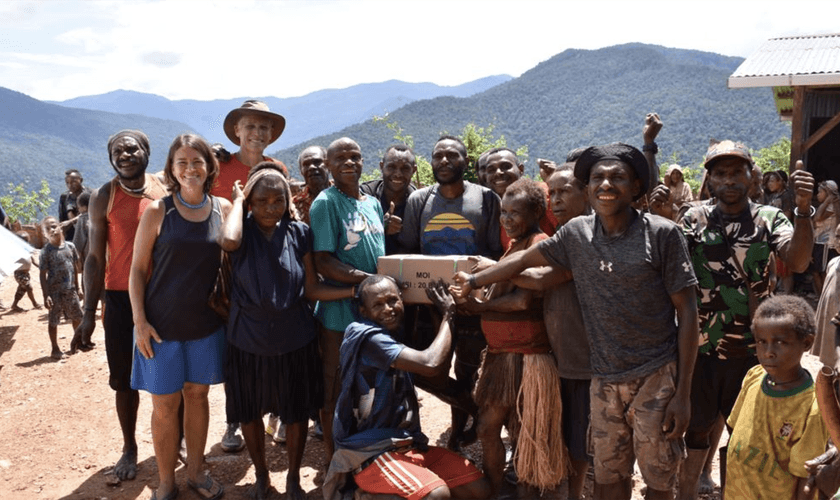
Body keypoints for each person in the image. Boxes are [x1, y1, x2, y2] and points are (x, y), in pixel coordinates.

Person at [453, 143, 699, 500]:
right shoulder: (577, 234)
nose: (606, 184)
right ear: (588, 187)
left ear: (635, 188)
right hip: (603, 378)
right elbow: (526, 264)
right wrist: (476, 280)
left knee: (658, 478)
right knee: (606, 476)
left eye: (618, 177)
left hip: (656, 375)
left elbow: (688, 312)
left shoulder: (661, 234)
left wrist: (683, 393)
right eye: (598, 177)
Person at [650, 141, 815, 500]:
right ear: (709, 180)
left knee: (747, 433)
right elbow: (666, 264)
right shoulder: (692, 218)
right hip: (699, 348)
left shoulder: (770, 219)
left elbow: (799, 260)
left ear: (751, 176)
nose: (729, 180)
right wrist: (662, 218)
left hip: (754, 351)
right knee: (695, 429)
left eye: (736, 172)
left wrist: (804, 211)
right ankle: (689, 492)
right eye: (720, 174)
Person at [218, 163, 351, 499]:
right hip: (247, 339)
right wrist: (236, 200)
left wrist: (353, 291)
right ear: (250, 203)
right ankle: (262, 475)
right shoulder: (242, 231)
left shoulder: (298, 233)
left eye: (278, 201)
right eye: (261, 201)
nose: (270, 208)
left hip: (295, 337)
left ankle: (292, 476)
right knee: (249, 411)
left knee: (294, 412)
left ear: (287, 201)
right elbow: (229, 241)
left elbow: (311, 288)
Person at [323, 275, 491, 500]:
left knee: (478, 490)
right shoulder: (366, 336)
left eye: (393, 300)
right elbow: (430, 363)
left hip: (407, 445)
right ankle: (364, 496)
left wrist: (436, 315)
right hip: (371, 452)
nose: (388, 309)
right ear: (363, 311)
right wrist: (449, 314)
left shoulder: (397, 335)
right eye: (378, 304)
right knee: (436, 495)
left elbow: (438, 376)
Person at [129, 133, 230, 500]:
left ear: (209, 166)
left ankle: (197, 473)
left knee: (198, 396)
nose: (190, 168)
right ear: (171, 168)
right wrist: (139, 321)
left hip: (205, 325)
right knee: (165, 406)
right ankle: (166, 481)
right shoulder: (158, 211)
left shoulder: (224, 210)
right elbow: (137, 271)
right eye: (182, 162)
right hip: (160, 327)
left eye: (197, 161)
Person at [73, 129, 168, 481]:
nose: (125, 156)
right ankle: (130, 446)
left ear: (146, 150)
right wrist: (87, 314)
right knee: (124, 381)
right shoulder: (103, 197)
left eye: (132, 149)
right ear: (111, 158)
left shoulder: (163, 187)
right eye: (118, 152)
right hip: (118, 298)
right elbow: (95, 258)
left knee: (172, 371)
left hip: (163, 296)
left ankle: (180, 438)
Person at [461, 178, 566, 494]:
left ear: (535, 212)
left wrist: (480, 306)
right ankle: (496, 490)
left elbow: (522, 300)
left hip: (527, 358)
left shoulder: (538, 243)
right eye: (503, 212)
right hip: (501, 354)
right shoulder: (513, 246)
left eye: (514, 213)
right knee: (488, 428)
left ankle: (525, 492)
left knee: (525, 434)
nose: (506, 219)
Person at [398, 135, 503, 450]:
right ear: (431, 163)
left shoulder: (486, 199)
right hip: (428, 304)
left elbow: (493, 253)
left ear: (465, 162)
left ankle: (461, 430)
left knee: (469, 366)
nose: (444, 161)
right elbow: (408, 249)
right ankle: (469, 414)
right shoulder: (419, 200)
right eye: (438, 156)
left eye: (452, 155)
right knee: (431, 369)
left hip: (471, 301)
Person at [213, 99, 290, 452]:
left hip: (267, 270)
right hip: (226, 269)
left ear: (271, 134)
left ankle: (273, 410)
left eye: (264, 128)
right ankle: (235, 419)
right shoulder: (218, 166)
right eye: (251, 127)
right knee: (235, 348)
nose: (257, 133)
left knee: (271, 343)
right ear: (237, 131)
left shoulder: (278, 169)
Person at [310, 137, 386, 461]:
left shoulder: (373, 203)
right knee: (335, 386)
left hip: (373, 311)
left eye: (355, 156)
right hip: (339, 313)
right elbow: (323, 261)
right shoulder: (325, 203)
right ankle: (333, 456)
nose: (349, 162)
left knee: (368, 385)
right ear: (328, 165)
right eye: (339, 157)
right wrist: (366, 281)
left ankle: (363, 450)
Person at [724, 295, 829, 500]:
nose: (769, 352)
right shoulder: (754, 377)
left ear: (806, 342)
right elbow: (735, 429)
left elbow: (804, 477)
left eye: (780, 342)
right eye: (761, 342)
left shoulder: (812, 406)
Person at [483, 147, 557, 250]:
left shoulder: (541, 193)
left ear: (520, 169)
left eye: (506, 166)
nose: (498, 172)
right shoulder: (492, 206)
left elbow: (566, 232)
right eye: (491, 170)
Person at [360, 144, 417, 255]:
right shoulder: (365, 194)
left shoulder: (420, 202)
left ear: (414, 170)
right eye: (391, 167)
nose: (398, 174)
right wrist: (380, 227)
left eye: (405, 168)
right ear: (382, 167)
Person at [39, 216, 82, 359]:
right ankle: (55, 348)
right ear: (44, 234)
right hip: (54, 292)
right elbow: (42, 275)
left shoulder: (70, 246)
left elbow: (75, 268)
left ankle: (76, 342)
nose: (52, 229)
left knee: (77, 316)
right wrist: (46, 295)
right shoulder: (46, 251)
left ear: (60, 226)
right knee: (54, 320)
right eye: (47, 228)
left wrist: (78, 287)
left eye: (53, 226)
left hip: (70, 290)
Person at [812, 180, 840, 293]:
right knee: (816, 271)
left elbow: (817, 218)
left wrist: (827, 200)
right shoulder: (828, 205)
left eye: (820, 192)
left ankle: (823, 296)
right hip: (820, 242)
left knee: (822, 272)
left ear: (828, 193)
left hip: (826, 243)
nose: (817, 195)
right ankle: (821, 297)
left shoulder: (832, 206)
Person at [291, 145, 330, 225]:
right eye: (306, 164)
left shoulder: (344, 195)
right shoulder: (294, 205)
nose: (311, 167)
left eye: (317, 162)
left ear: (328, 165)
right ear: (301, 171)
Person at [10, 231, 41, 312]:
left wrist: (40, 267)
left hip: (26, 274)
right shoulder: (15, 250)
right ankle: (35, 303)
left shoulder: (27, 250)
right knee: (29, 287)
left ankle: (14, 305)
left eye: (26, 241)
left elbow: (33, 261)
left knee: (22, 290)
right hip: (19, 274)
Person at [58, 169, 91, 242]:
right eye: (67, 183)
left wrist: (71, 222)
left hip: (87, 236)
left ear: (81, 180)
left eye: (74, 182)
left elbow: (89, 214)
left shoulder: (90, 195)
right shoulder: (64, 197)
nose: (70, 185)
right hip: (70, 238)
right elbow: (62, 218)